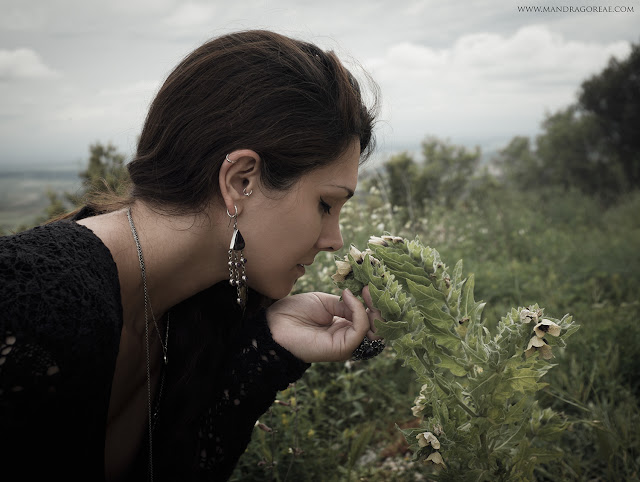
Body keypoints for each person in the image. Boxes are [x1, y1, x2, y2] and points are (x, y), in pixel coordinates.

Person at [0, 29, 386, 481]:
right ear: (242, 180)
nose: (334, 239)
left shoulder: (194, 312)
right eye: (325, 204)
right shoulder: (34, 298)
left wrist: (270, 344)